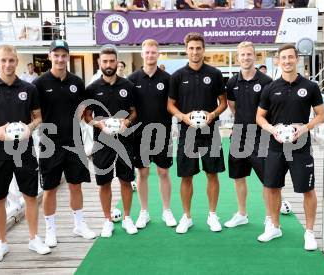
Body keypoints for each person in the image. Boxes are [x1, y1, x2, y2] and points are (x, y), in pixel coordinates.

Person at [0, 45, 51, 263]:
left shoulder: (29, 88)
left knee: (30, 197)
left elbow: (38, 117)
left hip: (24, 152)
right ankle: (1, 243)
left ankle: (34, 238)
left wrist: (31, 127)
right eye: (3, 60)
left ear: (17, 61)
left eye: (11, 60)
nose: (7, 64)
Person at [256, 44, 324, 250]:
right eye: (283, 58)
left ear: (297, 59)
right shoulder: (270, 88)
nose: (287, 61)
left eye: (290, 57)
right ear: (278, 61)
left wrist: (304, 128)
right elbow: (259, 117)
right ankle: (274, 227)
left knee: (308, 189)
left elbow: (322, 116)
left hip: (301, 146)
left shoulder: (310, 87)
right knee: (271, 187)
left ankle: (310, 233)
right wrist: (272, 129)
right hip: (275, 146)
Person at [33, 40, 96, 248]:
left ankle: (79, 225)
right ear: (50, 56)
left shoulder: (77, 82)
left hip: (74, 142)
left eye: (64, 55)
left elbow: (85, 111)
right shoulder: (39, 84)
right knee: (50, 189)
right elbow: (34, 114)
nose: (60, 59)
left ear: (68, 57)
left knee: (75, 186)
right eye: (56, 55)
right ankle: (50, 231)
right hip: (49, 144)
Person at [168, 32, 227, 234]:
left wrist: (212, 115)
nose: (195, 52)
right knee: (186, 176)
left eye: (198, 48)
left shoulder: (215, 74)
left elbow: (223, 102)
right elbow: (170, 105)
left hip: (210, 131)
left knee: (212, 173)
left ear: (204, 49)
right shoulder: (177, 76)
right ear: (186, 49)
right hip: (187, 132)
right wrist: (183, 117)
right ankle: (187, 216)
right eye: (191, 48)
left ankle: (212, 215)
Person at [84, 45, 138, 238]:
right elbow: (87, 116)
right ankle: (107, 220)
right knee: (104, 183)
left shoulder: (128, 86)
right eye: (104, 61)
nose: (108, 64)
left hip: (125, 140)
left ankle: (127, 218)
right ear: (99, 63)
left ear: (117, 62)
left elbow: (134, 111)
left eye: (111, 61)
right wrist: (100, 124)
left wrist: (127, 121)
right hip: (102, 142)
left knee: (126, 180)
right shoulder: (91, 89)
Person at [128, 39, 177, 229]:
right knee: (143, 172)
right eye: (147, 52)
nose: (150, 55)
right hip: (139, 134)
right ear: (142, 54)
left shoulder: (167, 79)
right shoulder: (132, 80)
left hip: (162, 133)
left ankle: (166, 211)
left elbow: (173, 105)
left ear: (158, 54)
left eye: (153, 52)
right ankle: (144, 212)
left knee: (163, 172)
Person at [225, 42, 273, 229]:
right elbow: (233, 107)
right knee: (239, 176)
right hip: (238, 134)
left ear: (255, 57)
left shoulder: (266, 82)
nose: (246, 58)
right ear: (238, 58)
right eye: (242, 55)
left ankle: (270, 217)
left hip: (260, 136)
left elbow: (269, 110)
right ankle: (242, 214)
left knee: (267, 180)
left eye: (249, 54)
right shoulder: (231, 82)